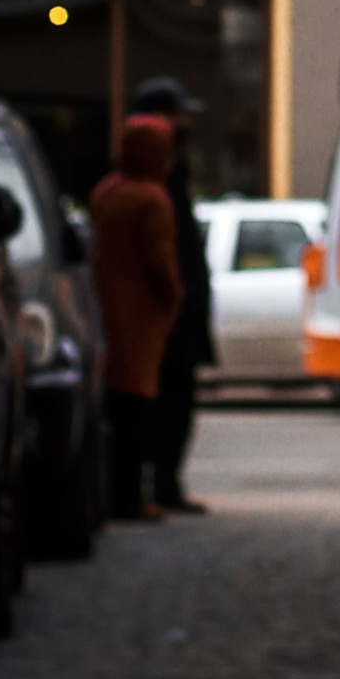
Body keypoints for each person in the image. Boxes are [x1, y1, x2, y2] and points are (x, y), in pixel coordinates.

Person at [129, 73, 217, 515]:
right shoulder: (151, 184)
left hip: (173, 311)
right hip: (166, 315)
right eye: (177, 114)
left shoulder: (165, 176)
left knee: (171, 401)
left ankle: (162, 483)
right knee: (163, 401)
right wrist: (175, 300)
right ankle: (155, 484)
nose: (184, 123)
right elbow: (161, 257)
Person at [89, 112, 181, 522]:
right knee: (136, 416)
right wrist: (174, 301)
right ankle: (130, 498)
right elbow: (160, 264)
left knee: (114, 413)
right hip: (140, 320)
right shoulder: (151, 199)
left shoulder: (106, 192)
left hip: (105, 312)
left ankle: (113, 494)